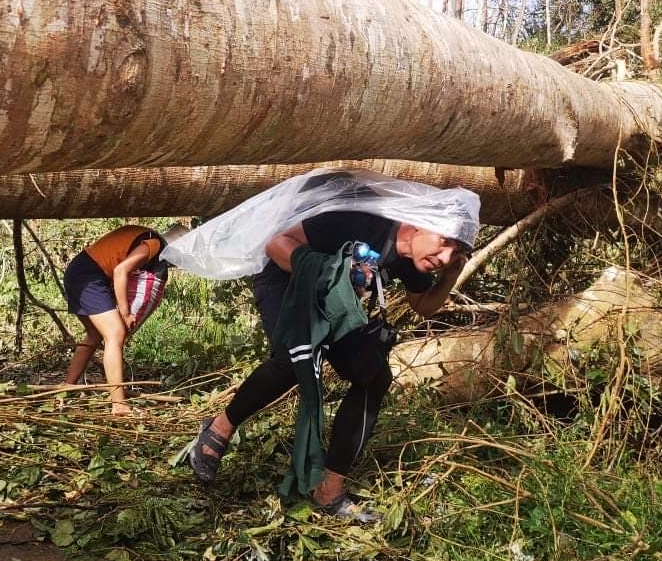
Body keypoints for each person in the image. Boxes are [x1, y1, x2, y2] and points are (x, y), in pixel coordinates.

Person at [182, 182, 478, 521]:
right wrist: (332, 271)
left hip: (338, 299)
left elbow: (423, 306)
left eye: (454, 254)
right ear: (418, 223)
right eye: (444, 244)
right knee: (297, 361)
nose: (443, 258)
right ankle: (219, 428)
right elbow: (277, 244)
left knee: (373, 378)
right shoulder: (358, 217)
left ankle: (329, 489)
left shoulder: (416, 260)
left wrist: (450, 276)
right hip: (287, 279)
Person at [63, 223, 189, 416]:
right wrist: (125, 312)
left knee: (95, 334)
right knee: (115, 333)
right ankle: (119, 405)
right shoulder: (154, 243)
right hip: (88, 275)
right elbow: (120, 271)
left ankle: (67, 386)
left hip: (80, 271)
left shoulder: (147, 237)